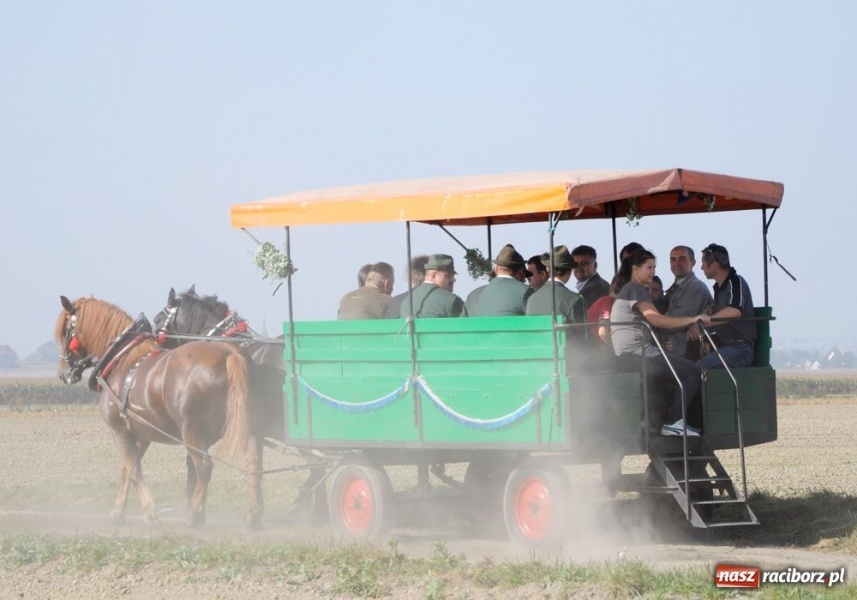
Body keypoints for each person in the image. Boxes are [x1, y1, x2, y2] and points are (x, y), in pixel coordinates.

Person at [610, 249, 711, 436]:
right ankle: (673, 422)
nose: (653, 272)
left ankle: (655, 423)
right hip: (636, 354)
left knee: (669, 372)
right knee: (692, 372)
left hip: (628, 354)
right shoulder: (635, 289)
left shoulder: (629, 290)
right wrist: (694, 319)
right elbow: (657, 320)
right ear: (635, 269)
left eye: (654, 268)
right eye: (649, 268)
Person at [699, 243, 756, 369]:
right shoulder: (720, 288)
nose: (701, 267)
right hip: (725, 345)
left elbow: (735, 310)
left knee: (699, 368)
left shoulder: (735, 281)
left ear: (714, 265)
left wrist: (706, 321)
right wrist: (709, 309)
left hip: (740, 348)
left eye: (703, 263)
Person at [526, 245, 587, 358]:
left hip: (537, 357)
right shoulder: (575, 300)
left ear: (547, 269)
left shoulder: (531, 299)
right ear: (569, 272)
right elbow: (582, 339)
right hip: (566, 359)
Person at [662, 245, 712, 359]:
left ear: (693, 262)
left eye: (682, 259)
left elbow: (676, 320)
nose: (676, 263)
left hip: (685, 354)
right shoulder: (675, 288)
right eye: (673, 259)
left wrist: (652, 320)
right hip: (672, 353)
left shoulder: (696, 287)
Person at [471, 244, 534, 316]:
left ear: (496, 269)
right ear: (521, 271)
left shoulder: (476, 295)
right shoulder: (525, 291)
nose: (524, 280)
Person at [402, 254, 465, 318]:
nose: (453, 279)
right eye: (448, 275)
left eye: (453, 275)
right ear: (433, 276)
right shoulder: (451, 300)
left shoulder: (406, 302)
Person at [570, 245, 610, 310]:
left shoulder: (595, 288)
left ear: (595, 265)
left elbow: (580, 314)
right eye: (575, 264)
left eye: (584, 264)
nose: (579, 268)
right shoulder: (599, 283)